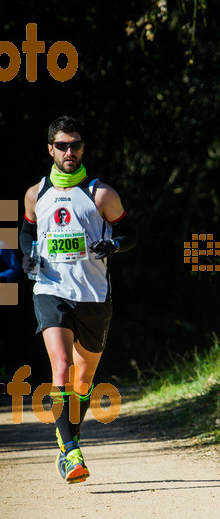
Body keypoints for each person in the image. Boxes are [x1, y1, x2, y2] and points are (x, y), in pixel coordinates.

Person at [19, 116, 137, 484]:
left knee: (83, 382)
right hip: (51, 290)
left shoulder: (101, 194)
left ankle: (70, 438)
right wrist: (26, 255)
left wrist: (112, 245)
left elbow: (130, 234)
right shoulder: (35, 194)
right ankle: (70, 452)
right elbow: (26, 231)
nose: (70, 152)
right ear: (50, 149)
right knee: (62, 368)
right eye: (63, 145)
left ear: (83, 149)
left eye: (76, 145)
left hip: (94, 296)